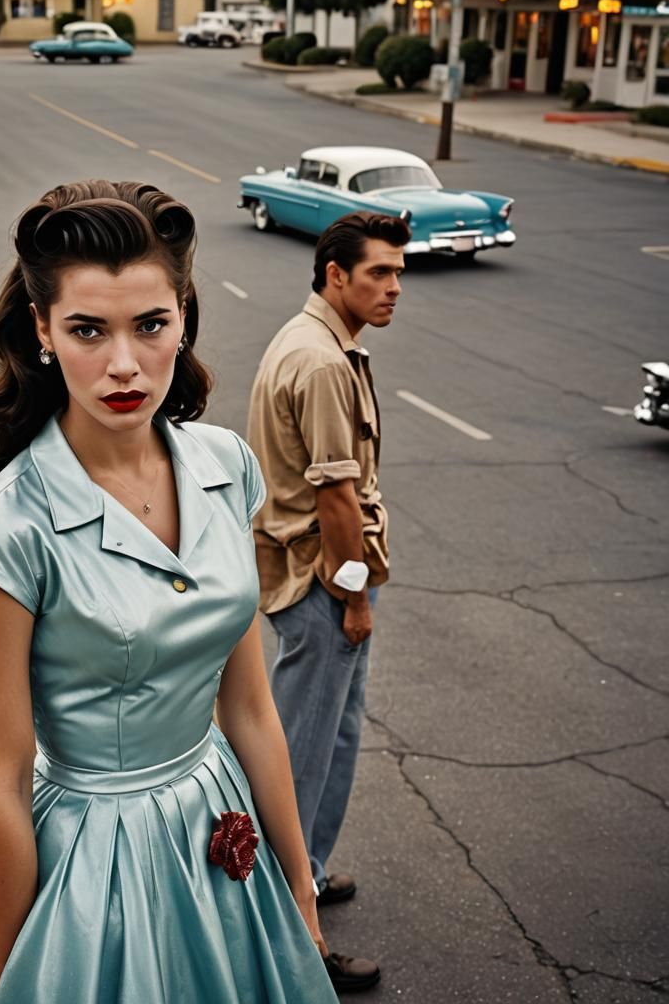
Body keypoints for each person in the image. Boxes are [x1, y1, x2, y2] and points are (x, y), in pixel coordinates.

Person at [0, 180, 369, 1003]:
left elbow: (251, 707)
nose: (124, 364)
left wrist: (298, 882)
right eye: (87, 329)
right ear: (42, 331)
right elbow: (1, 780)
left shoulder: (226, 467)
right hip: (84, 864)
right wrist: (12, 961)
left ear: (183, 315)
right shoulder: (4, 532)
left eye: (150, 324)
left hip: (218, 824)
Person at [247, 211, 409, 991]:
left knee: (333, 740)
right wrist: (354, 598)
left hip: (320, 578)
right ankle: (289, 930)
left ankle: (303, 868)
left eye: (398, 273)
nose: (394, 288)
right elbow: (338, 499)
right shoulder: (319, 362)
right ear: (334, 274)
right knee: (301, 761)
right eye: (379, 273)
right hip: (320, 581)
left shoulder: (327, 345)